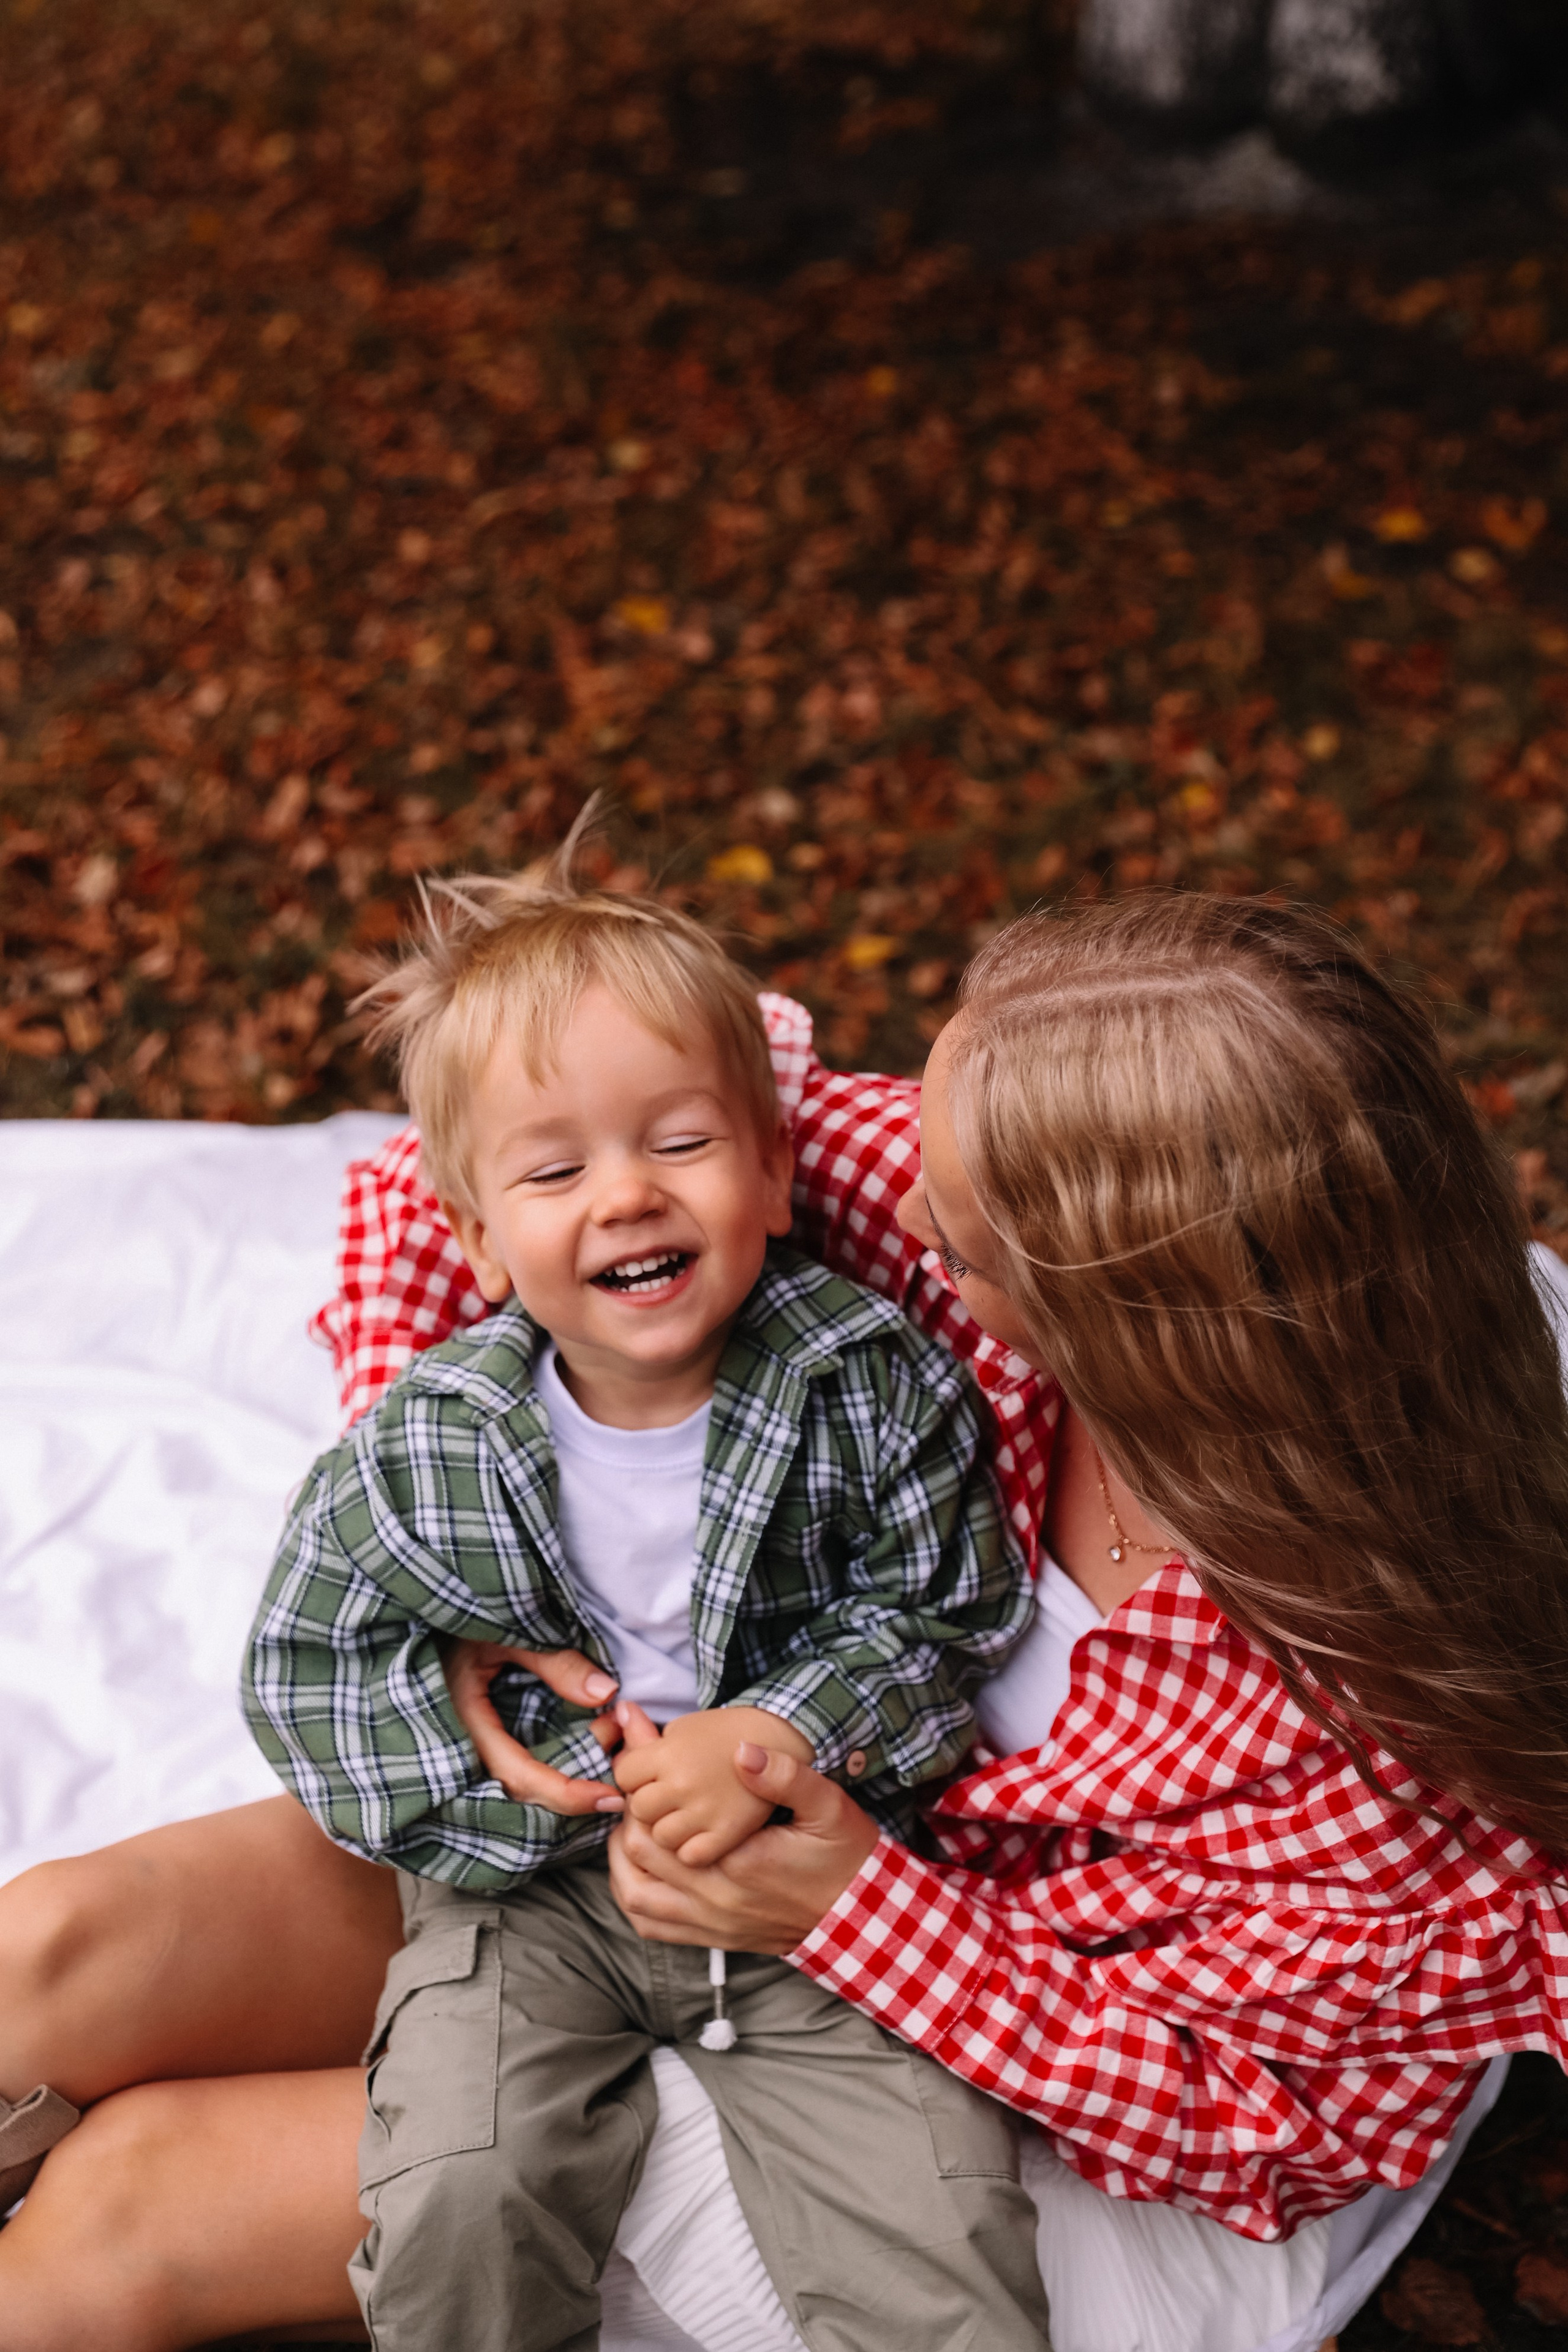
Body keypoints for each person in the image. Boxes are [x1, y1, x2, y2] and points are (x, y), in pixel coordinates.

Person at [4, 889, 1568, 2352]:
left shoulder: (1388, 1722)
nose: (890, 1214)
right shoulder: (957, 1177)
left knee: (146, 2197)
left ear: (1125, 1313)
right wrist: (487, 1524)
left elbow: (1258, 2122)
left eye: (953, 1242)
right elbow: (456, 1195)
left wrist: (849, 1906)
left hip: (923, 2016)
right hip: (627, 1816)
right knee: (57, 1951)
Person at [243, 851, 1043, 2350]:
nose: (625, 1194)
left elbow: (942, 1616)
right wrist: (502, 1791)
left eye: (680, 1142)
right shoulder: (432, 1441)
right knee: (459, 2192)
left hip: (809, 1883)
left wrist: (775, 1732)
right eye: (553, 1172)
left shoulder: (863, 1380)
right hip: (533, 1896)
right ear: (476, 1238)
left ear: (773, 1172)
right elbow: (311, 1668)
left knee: (941, 2246)